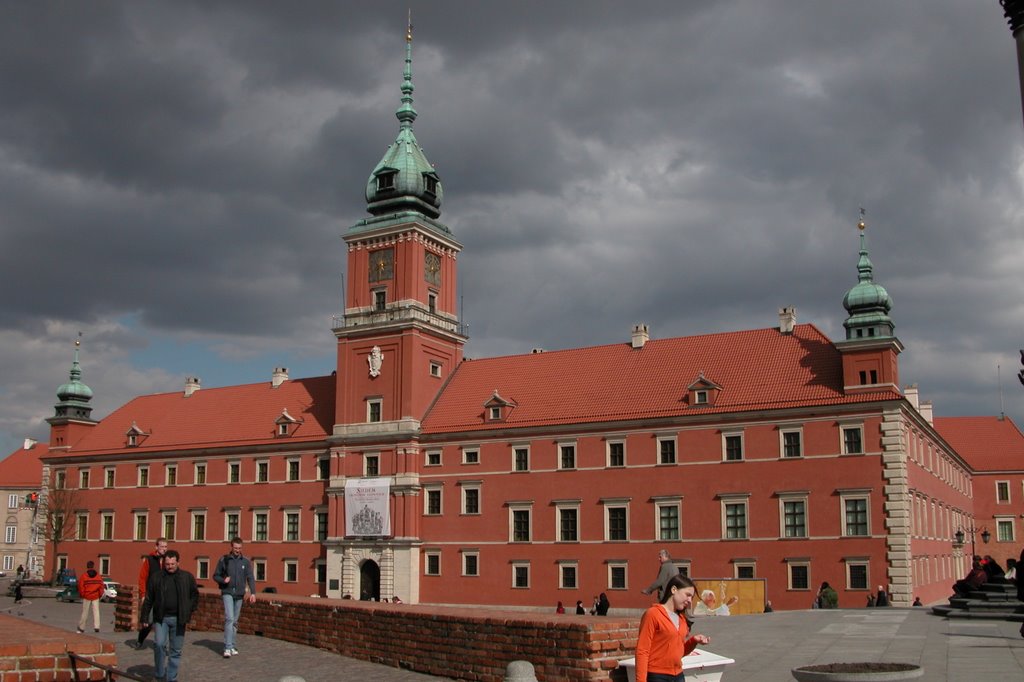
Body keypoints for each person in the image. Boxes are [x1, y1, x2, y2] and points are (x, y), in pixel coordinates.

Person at [635, 574, 711, 682]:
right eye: (687, 595)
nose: (690, 600)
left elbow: (678, 652)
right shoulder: (653, 614)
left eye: (691, 597)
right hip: (657, 676)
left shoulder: (682, 619)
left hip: (678, 675)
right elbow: (642, 651)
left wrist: (694, 641)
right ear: (674, 589)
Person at [140, 550, 199, 682]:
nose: (170, 566)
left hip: (179, 619)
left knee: (176, 650)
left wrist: (189, 609)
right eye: (167, 564)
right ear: (164, 563)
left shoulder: (186, 577)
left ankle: (171, 678)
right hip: (161, 618)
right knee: (159, 644)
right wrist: (144, 617)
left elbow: (195, 595)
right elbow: (149, 598)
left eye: (172, 564)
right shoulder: (156, 577)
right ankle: (160, 674)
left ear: (178, 562)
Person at [213, 537, 256, 659]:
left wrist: (253, 593)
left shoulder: (246, 562)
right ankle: (227, 647)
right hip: (227, 592)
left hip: (240, 594)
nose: (237, 550)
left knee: (235, 621)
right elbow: (215, 575)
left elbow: (250, 577)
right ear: (231, 547)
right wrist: (223, 580)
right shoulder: (224, 560)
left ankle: (232, 645)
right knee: (229, 618)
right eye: (236, 548)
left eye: (239, 548)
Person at [131, 537, 168, 650]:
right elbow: (142, 578)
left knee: (163, 620)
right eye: (162, 547)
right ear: (156, 547)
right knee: (149, 621)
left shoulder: (168, 560)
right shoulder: (150, 559)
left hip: (164, 595)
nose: (164, 549)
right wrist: (143, 594)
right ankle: (140, 640)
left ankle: (162, 645)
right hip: (151, 595)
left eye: (166, 547)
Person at [76, 560, 104, 633]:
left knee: (85, 612)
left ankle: (81, 627)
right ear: (93, 566)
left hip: (87, 596)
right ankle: (97, 626)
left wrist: (83, 594)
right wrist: (100, 594)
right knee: (96, 612)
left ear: (87, 566)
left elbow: (81, 586)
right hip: (96, 596)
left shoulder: (84, 576)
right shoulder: (98, 576)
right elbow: (101, 586)